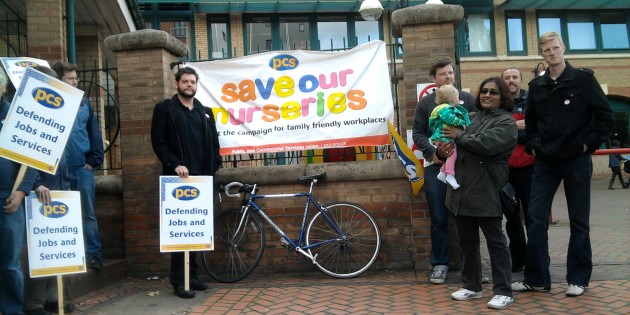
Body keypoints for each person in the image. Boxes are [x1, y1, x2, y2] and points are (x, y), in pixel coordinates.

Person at [512, 32, 614, 297]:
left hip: (576, 160)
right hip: (545, 161)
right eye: (546, 50)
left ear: (563, 48)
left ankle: (578, 279)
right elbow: (531, 122)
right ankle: (535, 278)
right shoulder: (537, 86)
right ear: (542, 54)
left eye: (555, 48)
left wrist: (585, 145)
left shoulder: (583, 80)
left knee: (579, 220)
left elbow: (605, 119)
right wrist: (534, 144)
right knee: (535, 218)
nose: (552, 53)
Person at [438, 77, 517, 309]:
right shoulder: (469, 117)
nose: (487, 95)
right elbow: (452, 147)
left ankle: (504, 290)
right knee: (466, 242)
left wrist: (458, 136)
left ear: (502, 97)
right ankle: (472, 286)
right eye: (484, 91)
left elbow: (487, 144)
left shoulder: (506, 122)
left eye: (494, 92)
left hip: (487, 190)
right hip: (460, 191)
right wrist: (443, 150)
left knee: (496, 242)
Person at [151, 67, 221, 299]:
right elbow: (159, 142)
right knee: (180, 232)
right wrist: (174, 164)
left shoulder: (206, 112)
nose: (189, 85)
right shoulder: (165, 109)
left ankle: (193, 276)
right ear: (177, 84)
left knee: (197, 230)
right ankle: (178, 281)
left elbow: (214, 144)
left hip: (202, 180)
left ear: (196, 85)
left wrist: (214, 166)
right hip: (177, 181)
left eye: (192, 82)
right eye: (185, 81)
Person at [412, 56, 476, 284]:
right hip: (435, 168)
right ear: (433, 79)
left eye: (450, 72)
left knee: (468, 217)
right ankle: (439, 265)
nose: (448, 76)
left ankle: (473, 267)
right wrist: (433, 153)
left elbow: (477, 127)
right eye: (442, 74)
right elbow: (417, 133)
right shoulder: (426, 104)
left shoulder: (467, 99)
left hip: (464, 168)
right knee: (439, 218)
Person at [23, 66, 75, 315]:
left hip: (60, 187)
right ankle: (34, 303)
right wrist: (33, 185)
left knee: (57, 247)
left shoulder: (57, 111)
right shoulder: (27, 113)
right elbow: (24, 156)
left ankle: (55, 298)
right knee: (40, 249)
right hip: (38, 191)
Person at [51, 62, 105, 270]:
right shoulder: (48, 102)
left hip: (81, 169)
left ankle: (93, 255)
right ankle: (66, 255)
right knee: (61, 214)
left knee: (87, 214)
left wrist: (93, 161)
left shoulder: (83, 104)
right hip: (55, 170)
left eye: (76, 78)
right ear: (58, 80)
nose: (75, 82)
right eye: (70, 79)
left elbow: (94, 134)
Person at [0, 70, 39, 315]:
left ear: (2, 88)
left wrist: (23, 191)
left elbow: (33, 158)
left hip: (8, 199)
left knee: (9, 264)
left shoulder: (17, 114)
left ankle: (13, 310)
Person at [501, 67, 534, 272]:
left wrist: (509, 131)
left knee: (533, 216)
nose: (511, 80)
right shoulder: (497, 105)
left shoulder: (532, 104)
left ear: (520, 81)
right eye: (507, 78)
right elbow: (496, 135)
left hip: (529, 169)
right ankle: (518, 259)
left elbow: (533, 132)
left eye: (515, 77)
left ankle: (537, 259)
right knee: (511, 218)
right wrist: (515, 127)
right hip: (505, 171)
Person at [428, 85, 470, 189]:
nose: (458, 99)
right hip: (444, 137)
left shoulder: (438, 109)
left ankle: (442, 172)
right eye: (457, 97)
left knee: (449, 154)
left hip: (439, 137)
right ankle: (450, 175)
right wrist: (461, 123)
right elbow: (449, 119)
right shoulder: (446, 109)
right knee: (453, 154)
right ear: (452, 98)